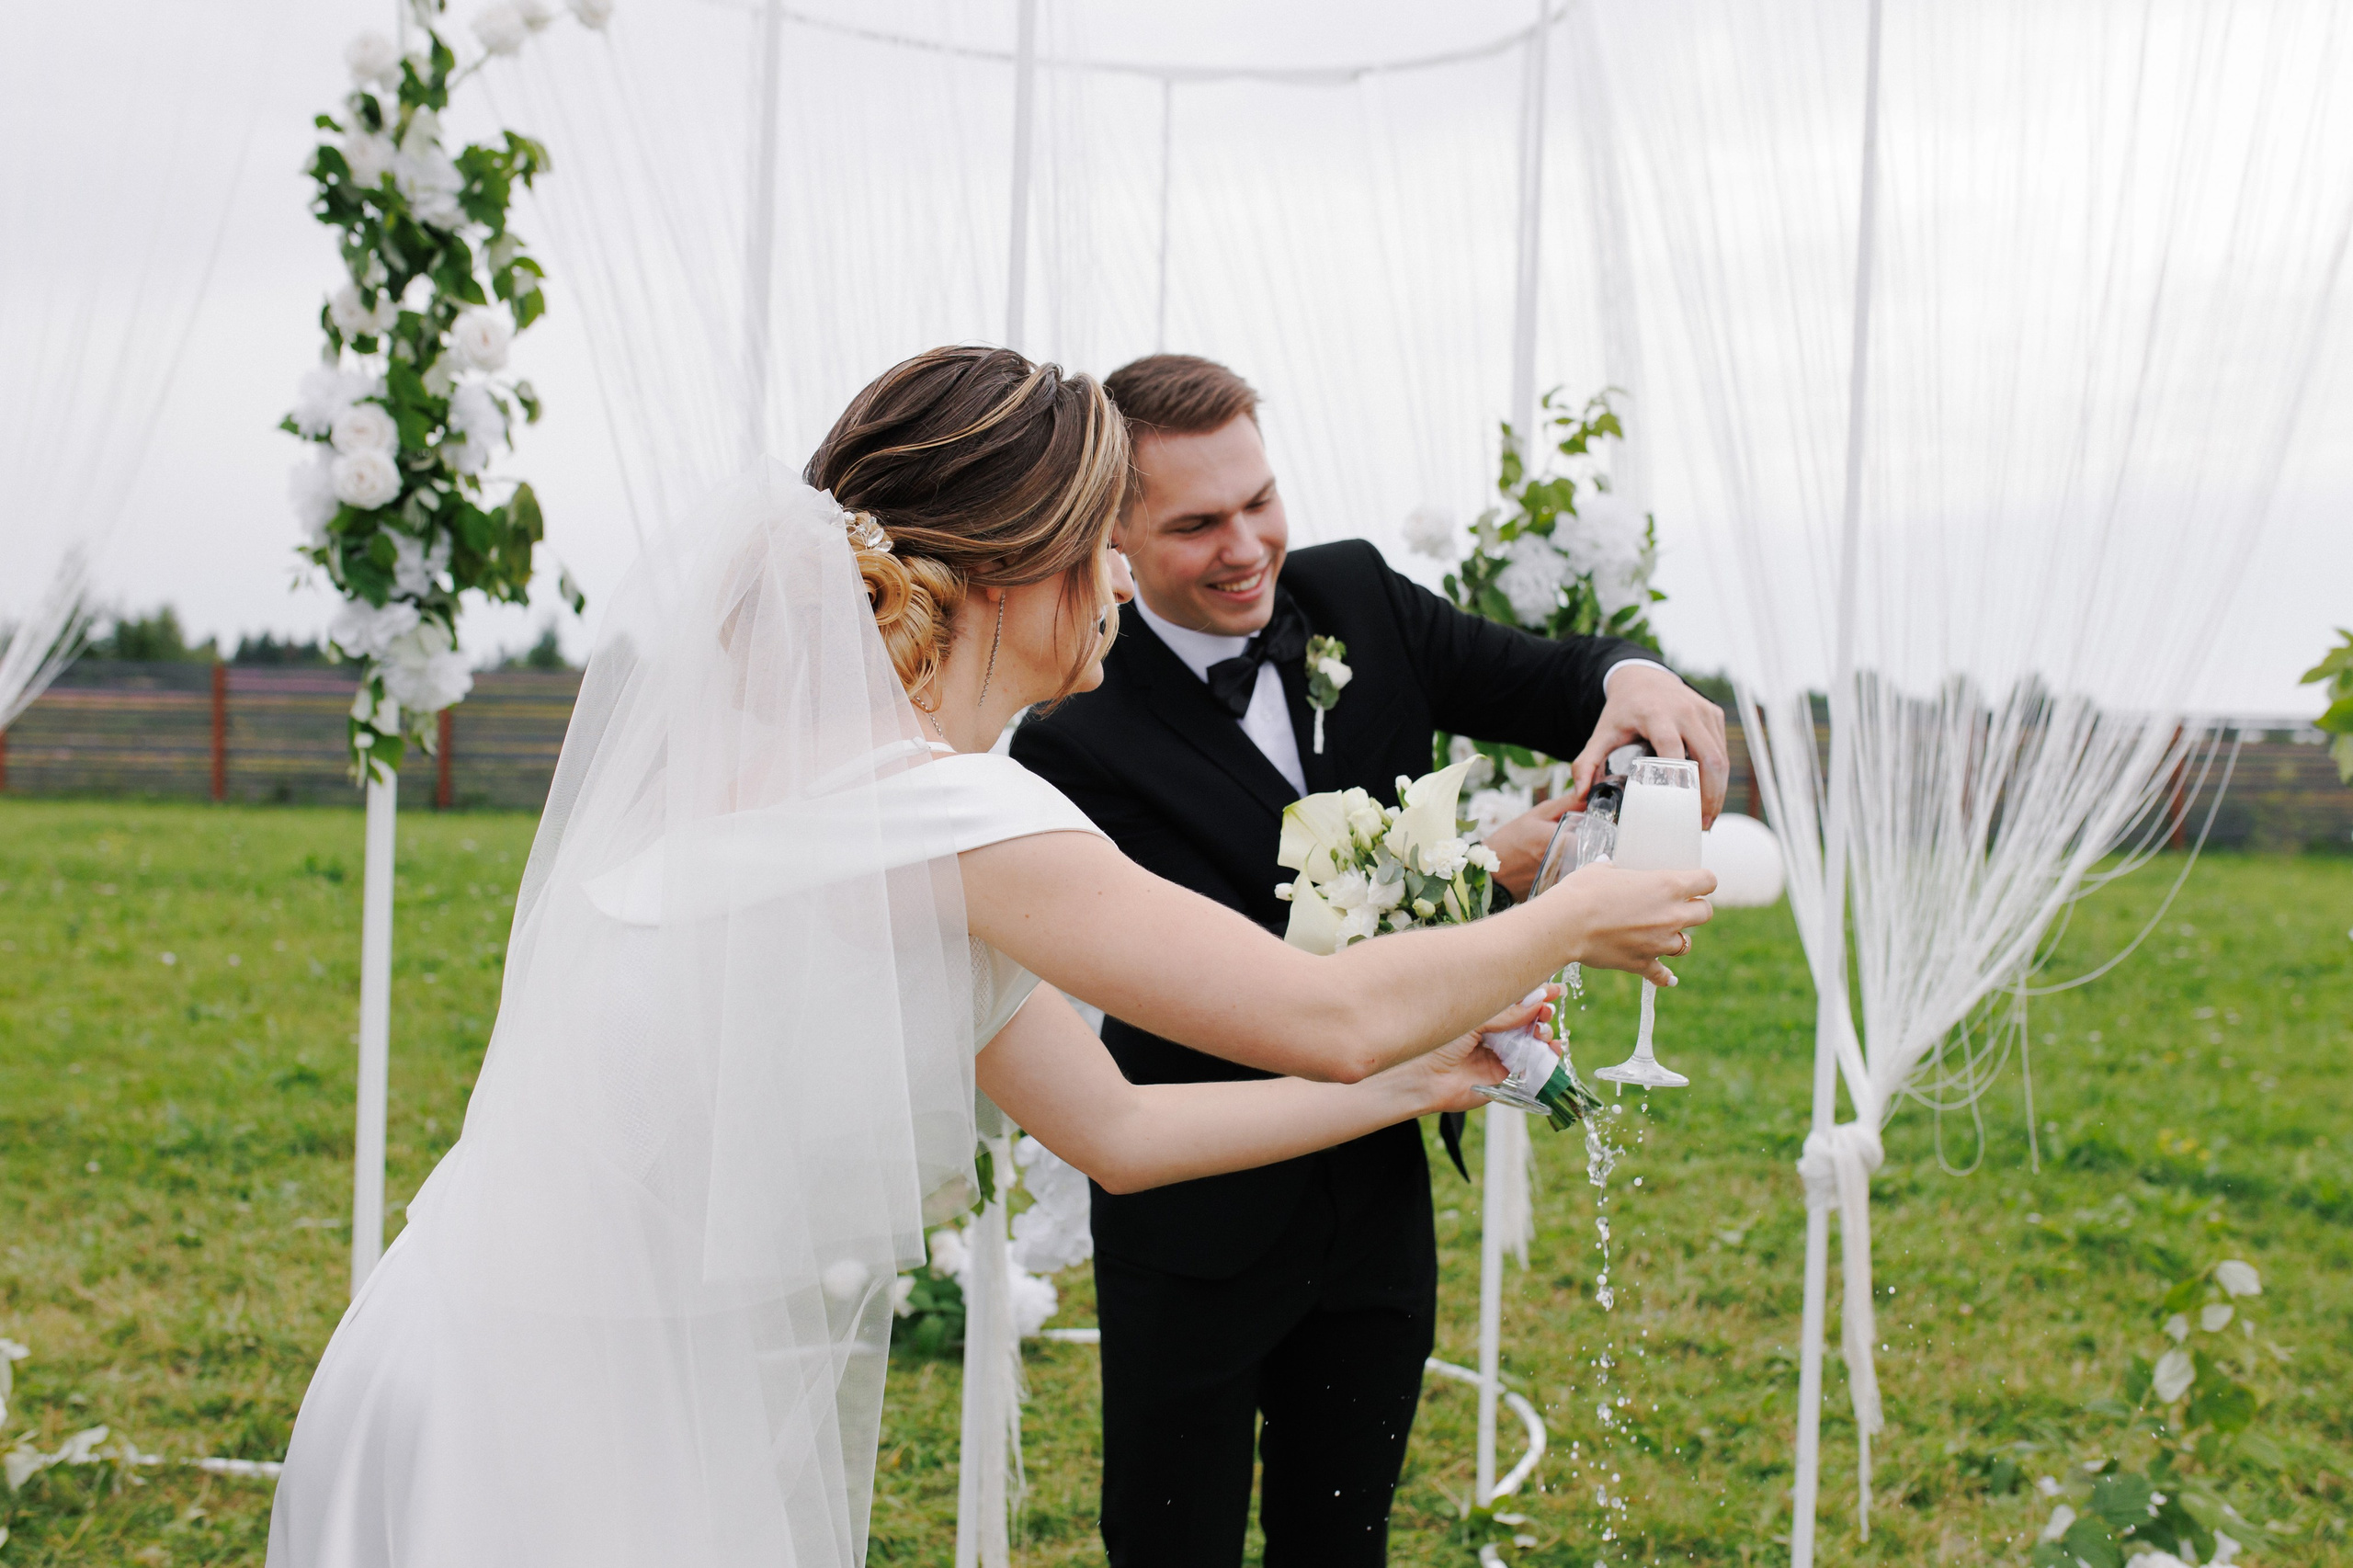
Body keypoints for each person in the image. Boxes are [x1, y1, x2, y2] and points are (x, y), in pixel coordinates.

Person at [264, 347, 1712, 1568]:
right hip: (553, 1418)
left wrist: (1419, 1084)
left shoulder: (820, 783)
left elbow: (1117, 1128)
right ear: (1008, 575)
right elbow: (1322, 1012)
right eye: (1101, 544)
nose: (1123, 585)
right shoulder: (953, 814)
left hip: (458, 1343)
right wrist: (1578, 910)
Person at [1009, 354, 1732, 1567]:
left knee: (1343, 1537)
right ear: (1114, 541)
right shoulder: (1075, 729)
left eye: (1260, 500)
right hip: (1197, 1207)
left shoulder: (1354, 595)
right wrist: (1493, 877)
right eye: (1198, 523)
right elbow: (1244, 955)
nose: (1249, 546)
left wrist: (1632, 674)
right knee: (1168, 1541)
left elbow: (1551, 679)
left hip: (1377, 1194)